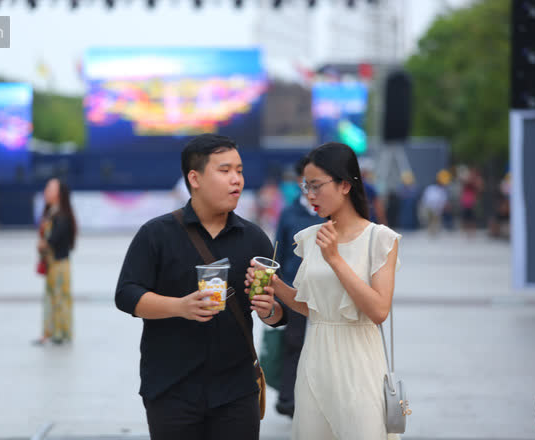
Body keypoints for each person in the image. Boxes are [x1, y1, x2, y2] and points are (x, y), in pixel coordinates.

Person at [115, 134, 287, 440]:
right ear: (195, 178)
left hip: (236, 392)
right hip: (171, 389)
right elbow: (127, 295)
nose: (236, 179)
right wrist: (180, 307)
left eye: (239, 170)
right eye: (225, 171)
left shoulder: (254, 238)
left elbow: (278, 315)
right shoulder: (157, 234)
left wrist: (269, 309)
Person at [246, 142, 401, 439]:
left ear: (344, 184)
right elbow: (311, 306)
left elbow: (379, 311)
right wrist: (275, 285)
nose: (310, 195)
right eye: (306, 186)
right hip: (314, 359)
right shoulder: (310, 238)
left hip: (359, 361)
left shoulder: (380, 240)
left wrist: (335, 260)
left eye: (316, 186)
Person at [273, 157, 320, 418]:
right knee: (294, 343)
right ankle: (288, 399)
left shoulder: (334, 213)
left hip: (328, 294)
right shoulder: (289, 213)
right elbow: (277, 251)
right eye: (306, 180)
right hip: (294, 291)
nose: (309, 187)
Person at [34, 178, 77, 346]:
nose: (46, 191)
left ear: (59, 194)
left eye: (50, 189)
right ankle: (51, 332)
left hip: (59, 264)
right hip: (52, 264)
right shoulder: (51, 213)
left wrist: (44, 244)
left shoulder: (62, 216)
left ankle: (60, 332)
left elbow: (54, 240)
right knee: (51, 297)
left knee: (59, 298)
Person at [419, 170, 450, 237]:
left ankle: (434, 232)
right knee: (432, 221)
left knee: (436, 222)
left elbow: (444, 202)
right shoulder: (431, 188)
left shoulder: (443, 191)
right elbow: (426, 200)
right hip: (430, 209)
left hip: (437, 210)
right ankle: (431, 232)